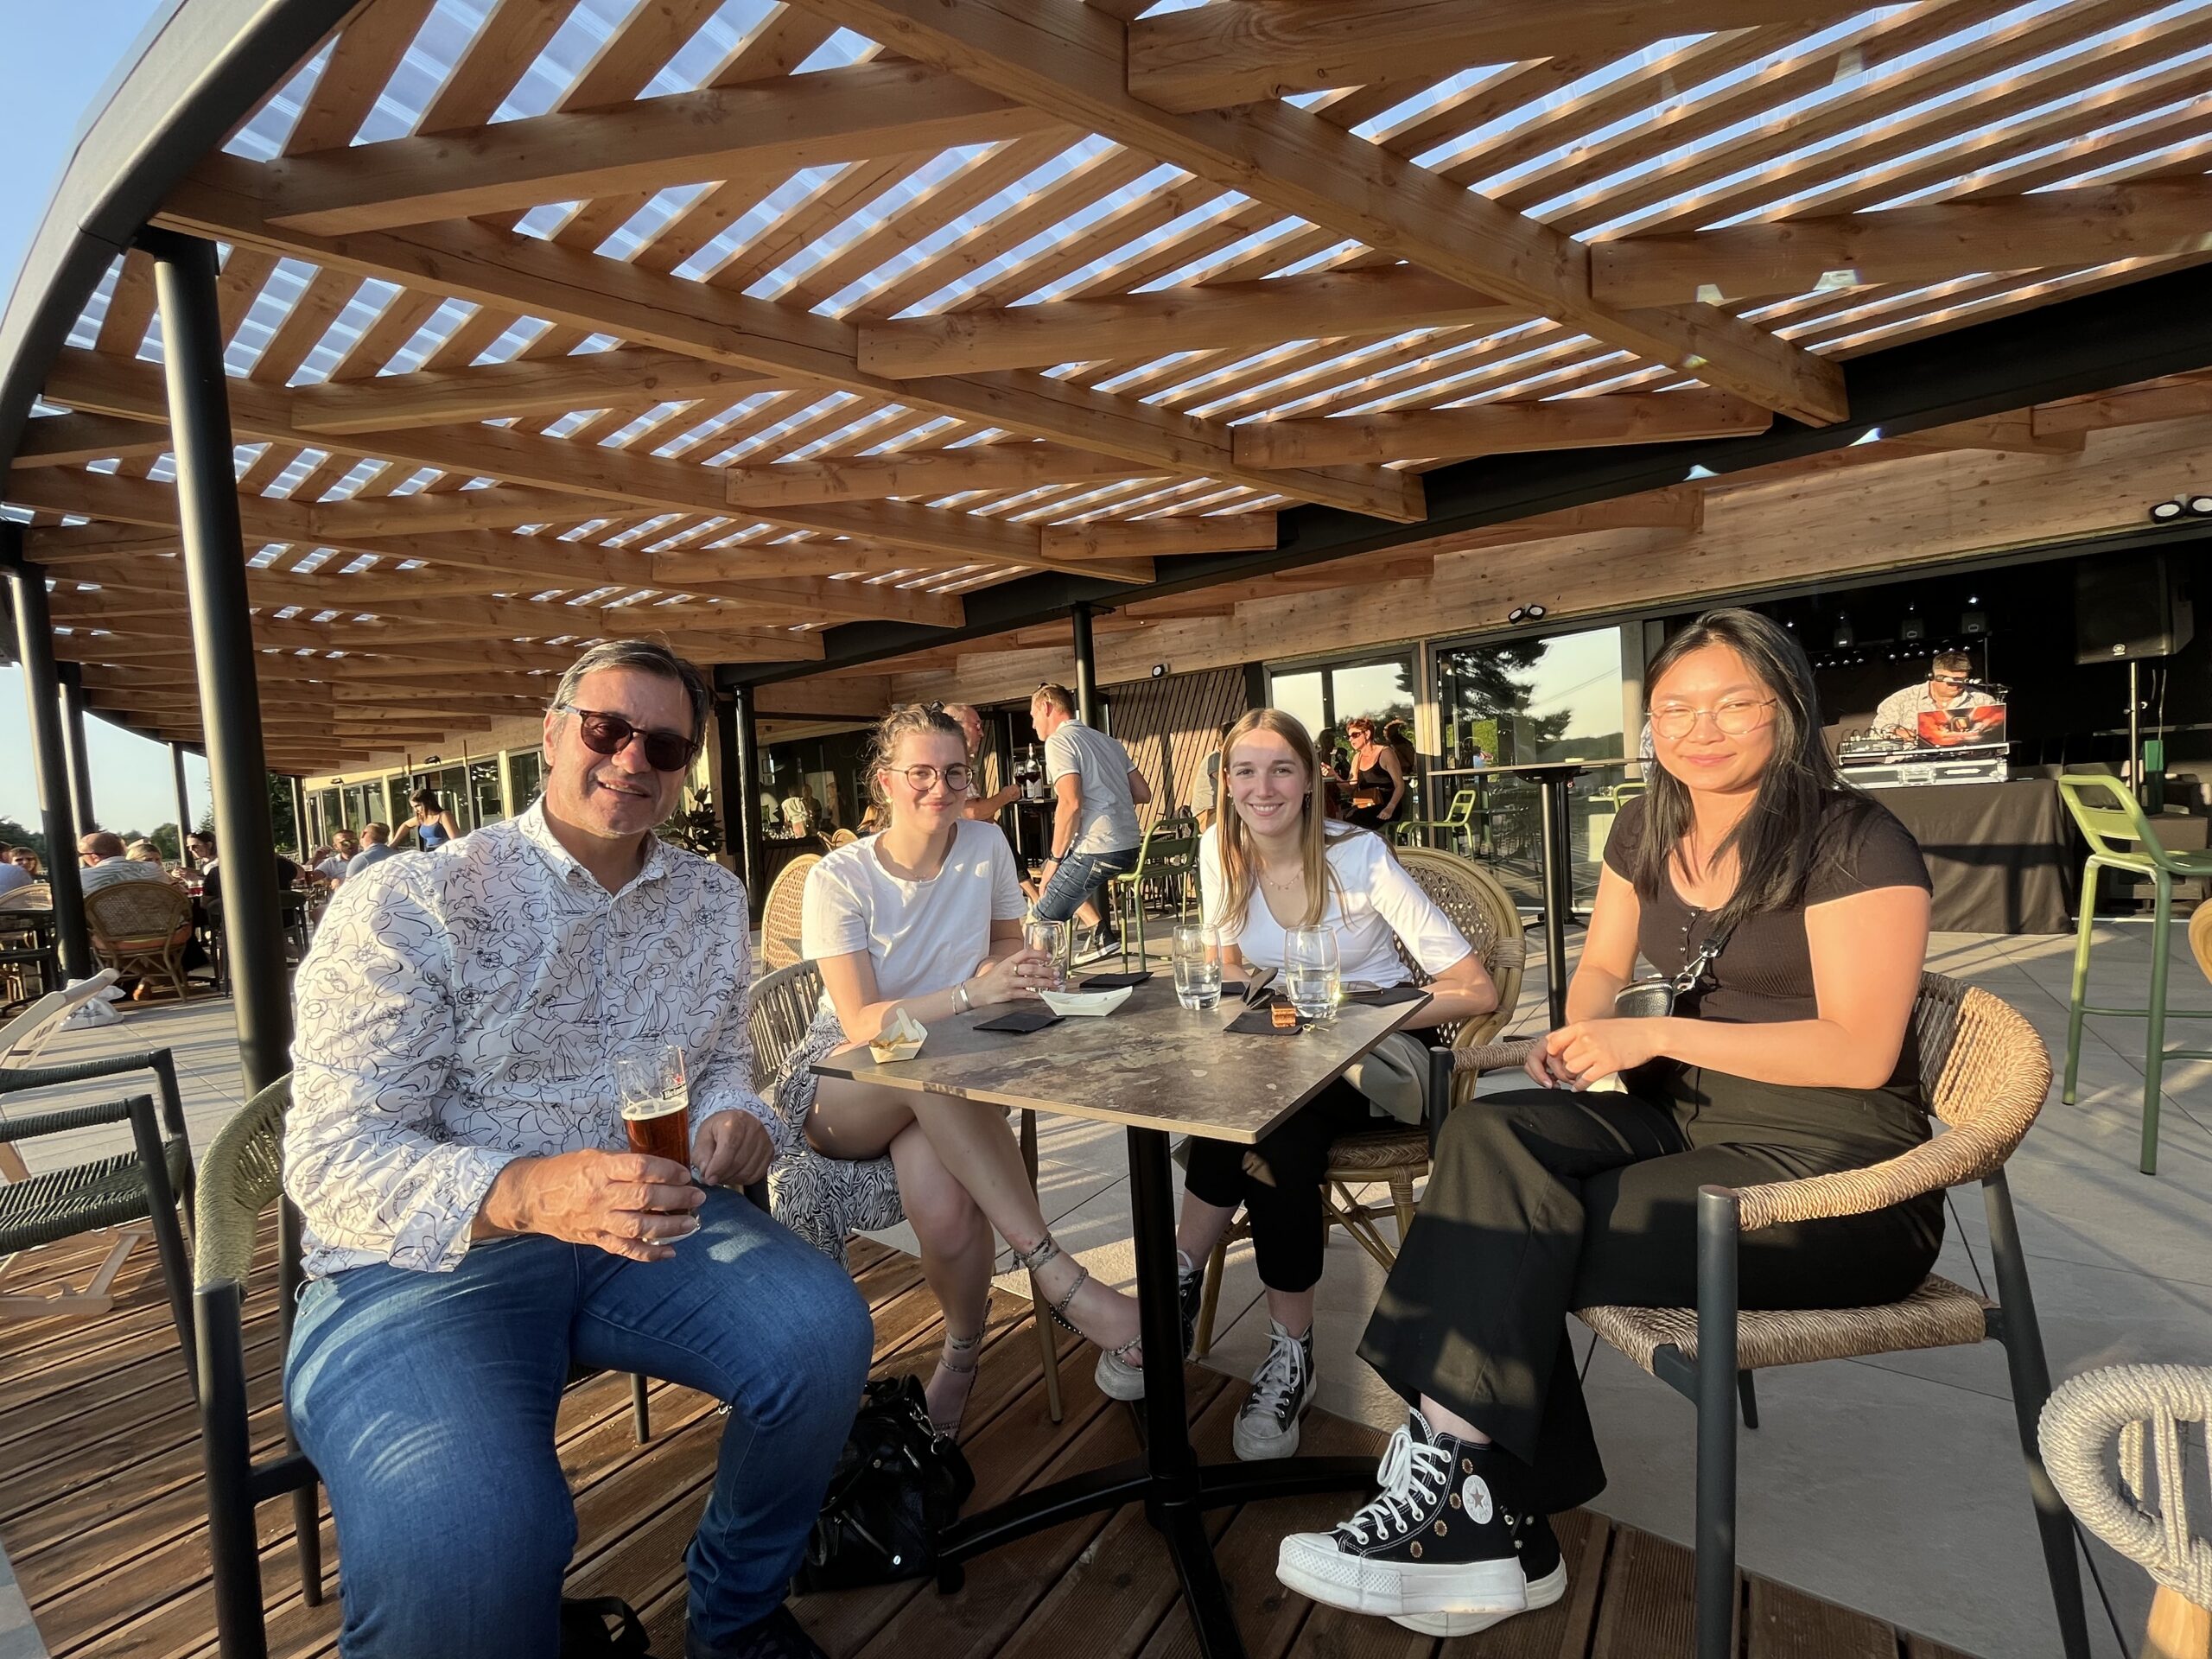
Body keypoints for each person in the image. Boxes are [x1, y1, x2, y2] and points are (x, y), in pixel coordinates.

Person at [1278, 609, 1942, 1638]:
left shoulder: (1856, 838)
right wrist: (1583, 1034)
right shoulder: (1645, 825)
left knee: (1515, 1232)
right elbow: (1599, 964)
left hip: (1835, 1171)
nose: (1699, 730)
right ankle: (1480, 1504)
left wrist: (1654, 1034)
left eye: (1732, 704)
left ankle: (1477, 1509)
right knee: (1489, 1139)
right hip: (1683, 1117)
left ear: (1787, 707)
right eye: (1674, 709)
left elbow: (1858, 1050)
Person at [283, 639, 869, 1659]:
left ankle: (734, 1614)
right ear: (552, 734)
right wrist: (525, 1192)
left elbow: (721, 1062)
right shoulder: (416, 899)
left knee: (822, 1334)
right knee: (473, 1537)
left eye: (666, 745)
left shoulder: (708, 900)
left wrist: (737, 1118)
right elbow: (331, 1158)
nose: (633, 759)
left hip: (649, 1229)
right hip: (428, 1263)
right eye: (608, 729)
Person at [1099, 709, 1496, 1456]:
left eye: (1281, 769)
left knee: (1270, 1121)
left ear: (1311, 780)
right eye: (1245, 771)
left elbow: (1475, 988)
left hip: (1380, 1058)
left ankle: (1245, 1327)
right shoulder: (1221, 849)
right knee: (1250, 1102)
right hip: (1279, 1046)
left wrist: (1343, 1012)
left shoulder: (1359, 856)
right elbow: (1226, 964)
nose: (1263, 788)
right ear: (1226, 784)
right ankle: (1208, 1304)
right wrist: (1248, 1012)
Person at [767, 704, 1143, 1438]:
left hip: (943, 1068)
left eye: (954, 773)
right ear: (885, 782)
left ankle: (961, 1359)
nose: (939, 788)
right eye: (921, 773)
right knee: (925, 1060)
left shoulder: (985, 843)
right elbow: (862, 1022)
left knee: (943, 1210)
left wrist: (1012, 970)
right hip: (842, 1081)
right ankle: (1057, 1274)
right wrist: (971, 994)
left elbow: (1001, 942)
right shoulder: (841, 877)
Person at [1029, 683, 1149, 962]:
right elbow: (1143, 793)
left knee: (1041, 919)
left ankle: (1036, 982)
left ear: (1046, 706)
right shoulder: (1109, 742)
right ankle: (1101, 936)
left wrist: (1054, 861)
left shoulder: (1059, 742)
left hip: (1098, 848)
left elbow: (1070, 803)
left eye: (1033, 715)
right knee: (1064, 884)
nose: (1033, 725)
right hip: (1129, 846)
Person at [1871, 650, 2002, 748]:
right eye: (1950, 681)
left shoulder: (1983, 702)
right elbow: (1875, 733)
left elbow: (1995, 741)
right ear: (1932, 676)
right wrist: (1897, 732)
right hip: (1910, 763)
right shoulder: (1901, 700)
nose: (1956, 685)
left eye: (1962, 680)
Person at [944, 702, 1023, 823]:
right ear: (957, 727)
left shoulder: (959, 763)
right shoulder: (951, 764)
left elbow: (983, 816)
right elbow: (973, 812)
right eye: (977, 725)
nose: (982, 733)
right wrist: (1006, 796)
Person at [1341, 715, 1408, 833]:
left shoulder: (1385, 753)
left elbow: (1399, 785)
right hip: (1366, 805)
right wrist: (1333, 775)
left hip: (1386, 805)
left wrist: (1390, 808)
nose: (1351, 739)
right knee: (1343, 817)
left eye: (1355, 735)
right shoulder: (1357, 758)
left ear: (1367, 734)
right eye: (1349, 736)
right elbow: (1351, 788)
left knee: (1354, 819)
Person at [78, 831, 175, 894]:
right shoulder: (154, 869)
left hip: (104, 921)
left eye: (82, 854)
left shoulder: (82, 878)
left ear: (94, 857)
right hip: (160, 920)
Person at [395, 787, 461, 850]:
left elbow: (455, 840)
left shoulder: (443, 815)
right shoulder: (422, 818)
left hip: (444, 851)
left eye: (417, 806)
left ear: (427, 802)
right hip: (429, 851)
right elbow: (406, 825)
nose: (415, 810)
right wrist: (393, 844)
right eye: (413, 807)